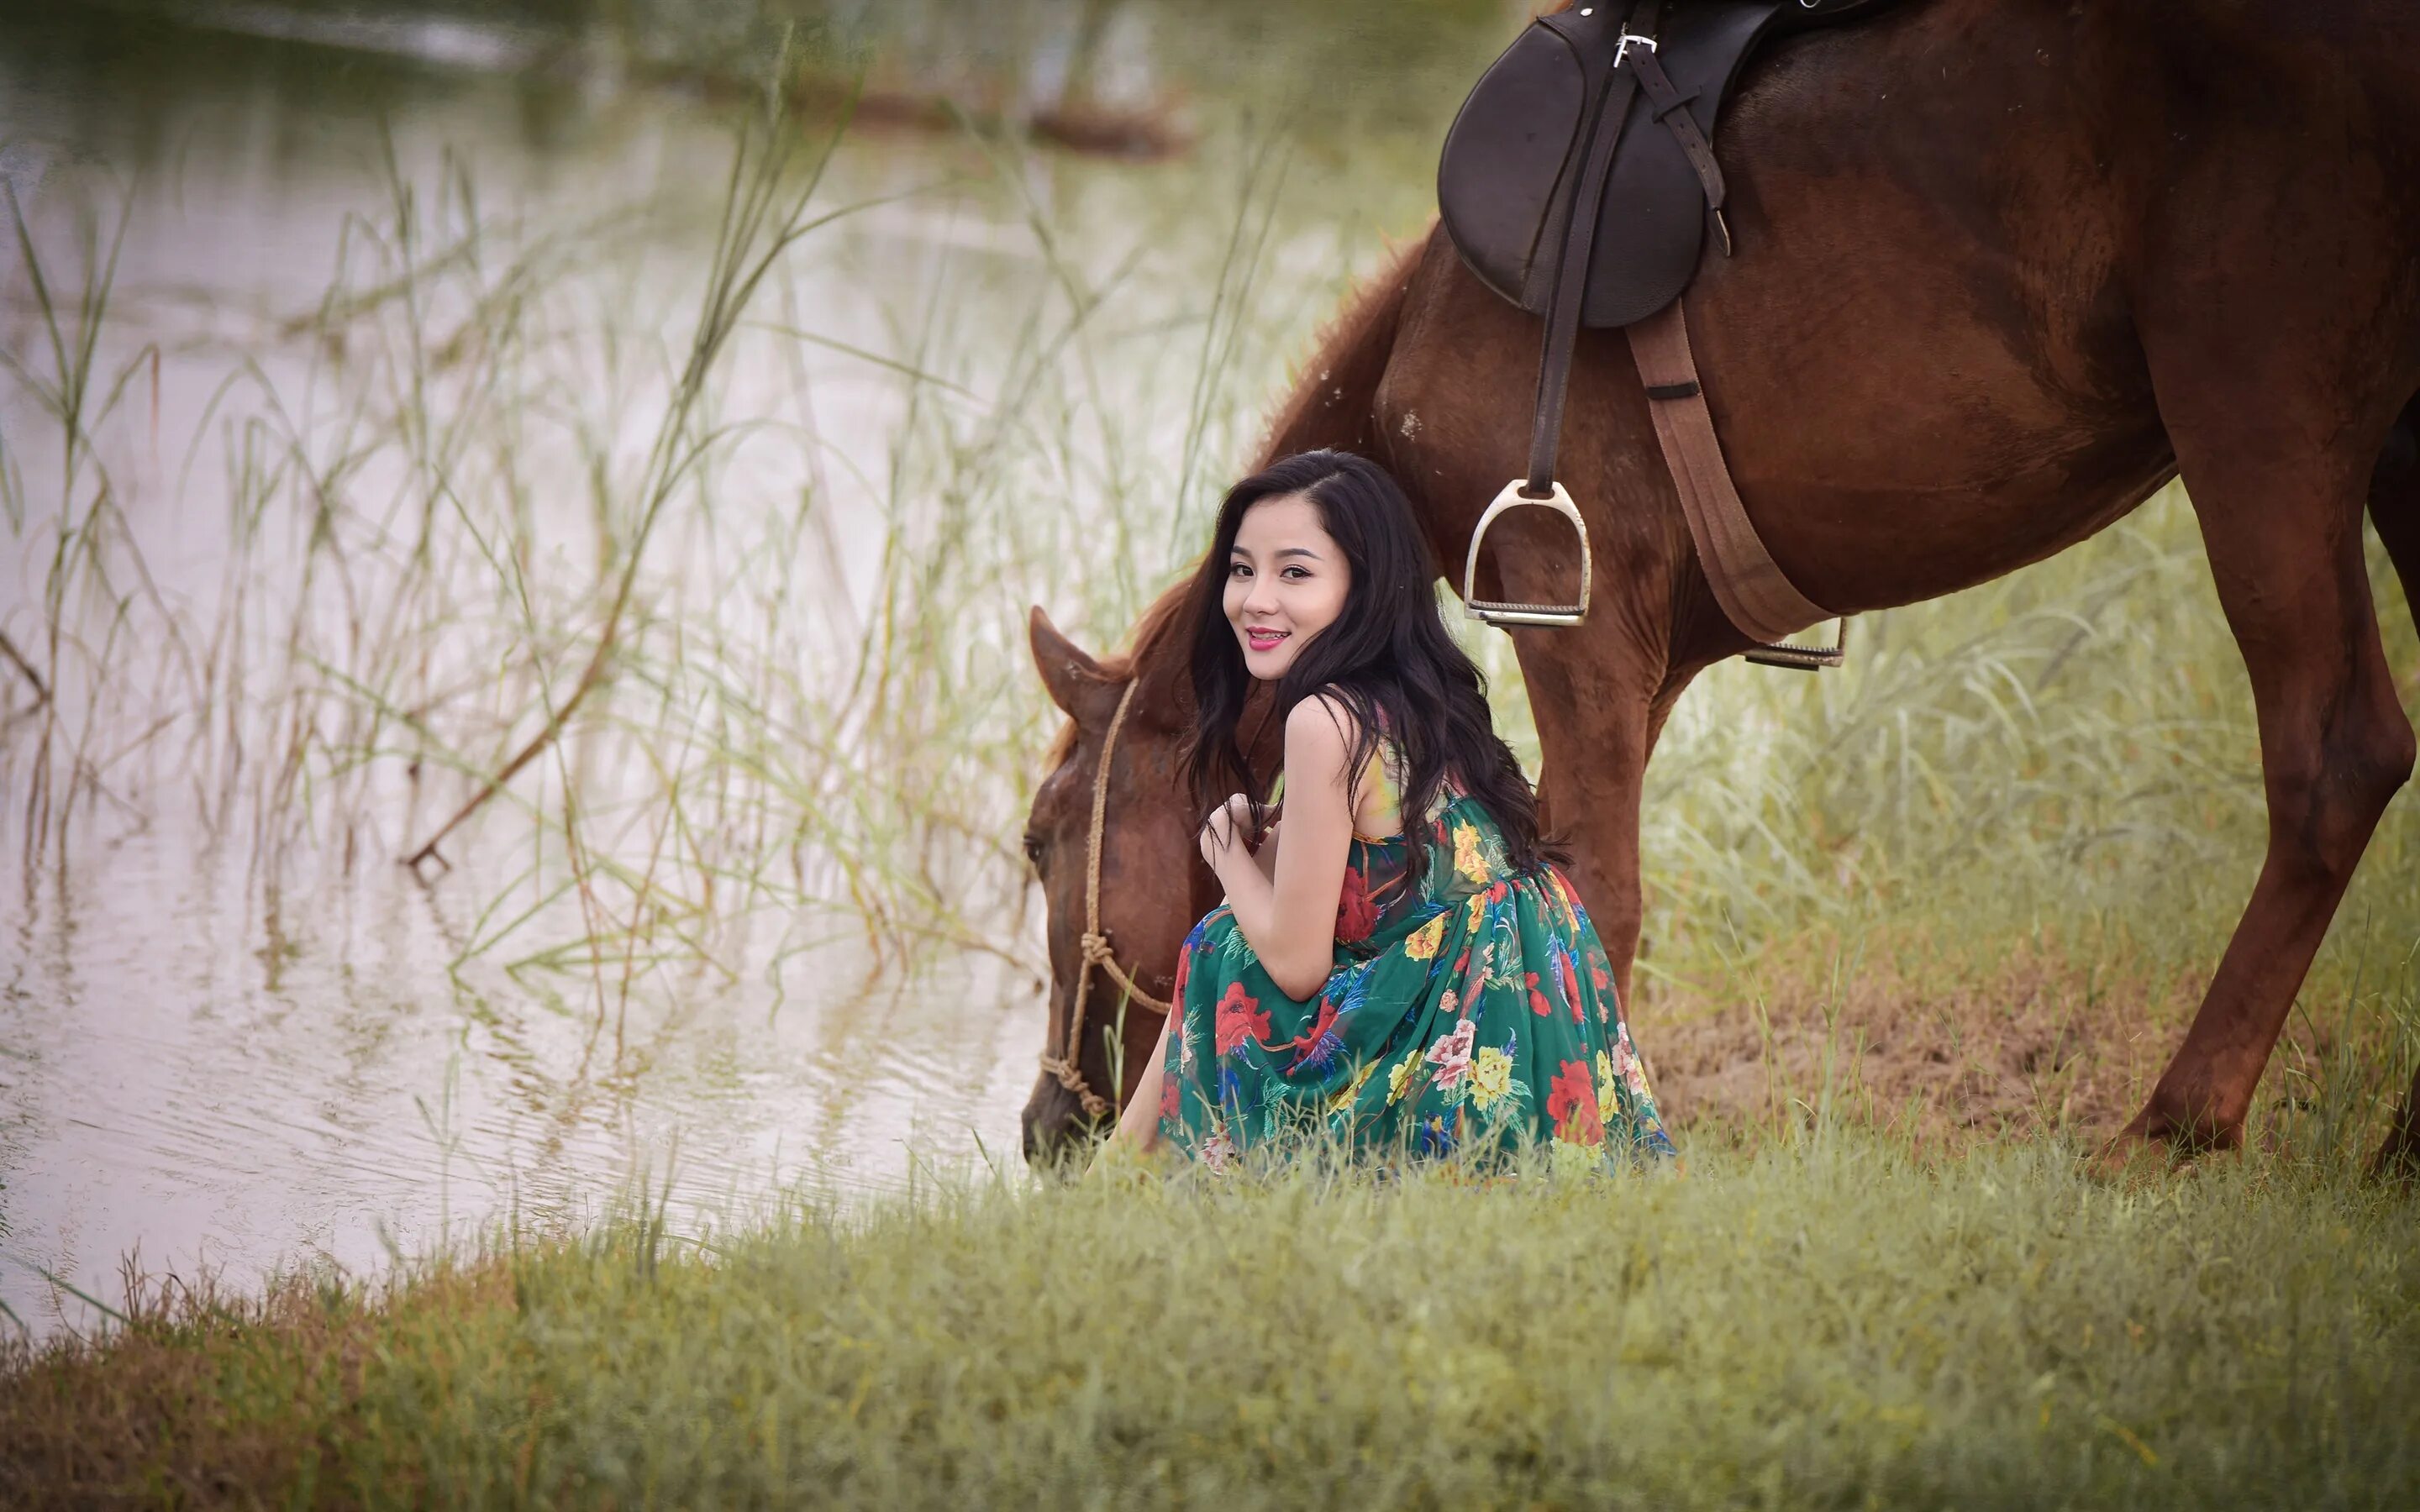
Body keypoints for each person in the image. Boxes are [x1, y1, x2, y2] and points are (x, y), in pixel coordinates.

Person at [1107, 449, 1675, 1172]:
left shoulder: (1322, 719)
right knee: (1229, 932)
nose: (1255, 599)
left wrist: (1224, 856)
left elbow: (1296, 967)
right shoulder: (1414, 696)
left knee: (1221, 943)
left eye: (1295, 572)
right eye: (1243, 569)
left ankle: (1122, 1173)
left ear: (1364, 584)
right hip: (1537, 1014)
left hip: (1470, 1030)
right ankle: (1113, 1173)